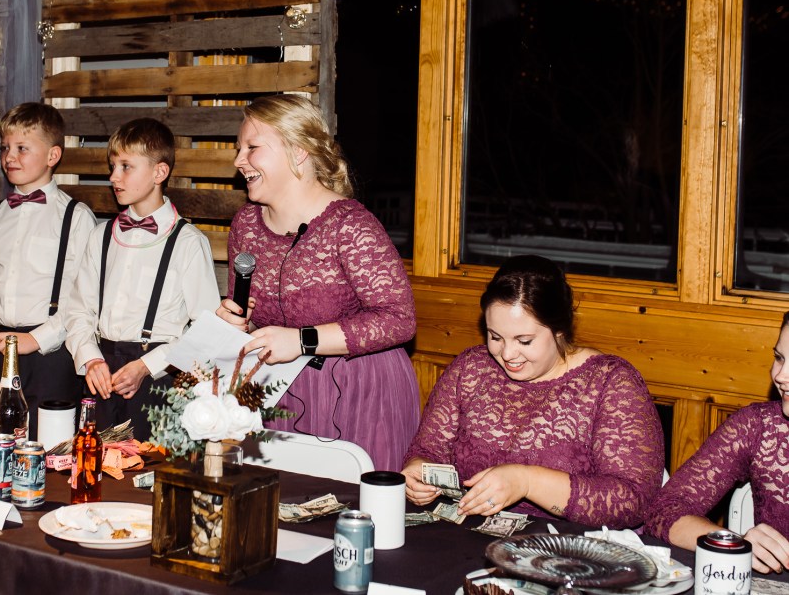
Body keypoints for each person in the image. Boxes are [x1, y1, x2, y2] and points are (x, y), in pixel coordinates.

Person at [214, 94, 419, 472]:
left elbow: (399, 320)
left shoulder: (350, 224)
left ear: (299, 150)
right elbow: (251, 315)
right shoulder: (245, 224)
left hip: (360, 391)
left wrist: (302, 340)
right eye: (238, 148)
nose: (238, 160)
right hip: (280, 388)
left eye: (252, 148)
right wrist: (236, 322)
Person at [401, 254, 664, 528]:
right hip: (467, 539)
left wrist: (527, 482)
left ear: (560, 330)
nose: (507, 354)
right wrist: (419, 471)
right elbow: (427, 449)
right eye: (495, 337)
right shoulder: (471, 369)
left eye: (524, 341)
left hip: (566, 545)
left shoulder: (610, 382)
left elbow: (633, 502)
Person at [64, 117, 218, 438]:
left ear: (159, 173)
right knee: (97, 461)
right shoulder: (100, 236)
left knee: (150, 466)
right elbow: (79, 310)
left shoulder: (188, 242)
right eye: (113, 166)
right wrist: (90, 359)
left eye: (126, 167)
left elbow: (206, 330)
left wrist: (147, 366)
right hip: (102, 372)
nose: (113, 176)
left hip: (159, 378)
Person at [0, 102, 96, 438]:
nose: (10, 156)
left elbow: (83, 299)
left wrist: (36, 339)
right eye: (5, 147)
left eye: (22, 148)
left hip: (53, 353)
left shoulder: (76, 218)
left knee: (52, 448)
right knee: (4, 443)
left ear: (53, 155)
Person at [646, 312, 789, 573]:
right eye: (779, 358)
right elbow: (663, 511)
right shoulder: (757, 426)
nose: (781, 375)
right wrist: (735, 544)